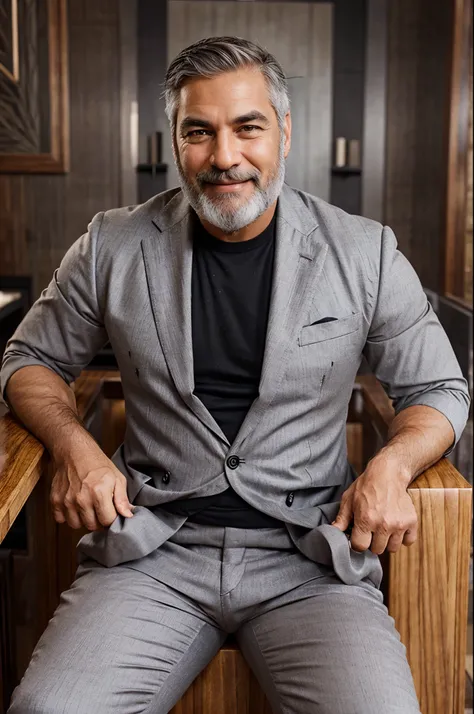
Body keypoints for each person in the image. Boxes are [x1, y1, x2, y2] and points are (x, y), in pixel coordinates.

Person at [1, 36, 470, 714]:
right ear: (174, 139)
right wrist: (76, 448)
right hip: (151, 552)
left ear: (283, 131)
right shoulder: (110, 244)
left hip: (312, 560)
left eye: (247, 128)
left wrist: (392, 468)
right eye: (199, 132)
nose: (224, 157)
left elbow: (438, 390)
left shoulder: (365, 251)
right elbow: (29, 360)